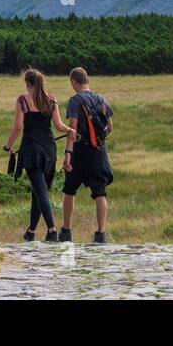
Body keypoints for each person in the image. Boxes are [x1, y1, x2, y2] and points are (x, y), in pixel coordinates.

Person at [3, 68, 75, 242]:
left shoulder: (22, 100)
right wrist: (70, 130)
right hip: (49, 150)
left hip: (31, 150)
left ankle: (52, 231)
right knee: (39, 191)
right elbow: (58, 125)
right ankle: (31, 231)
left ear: (28, 84)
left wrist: (8, 146)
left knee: (41, 192)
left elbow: (18, 126)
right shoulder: (51, 100)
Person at [59, 66, 114, 243]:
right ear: (87, 80)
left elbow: (72, 130)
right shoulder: (101, 98)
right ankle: (101, 234)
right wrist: (98, 141)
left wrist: (68, 153)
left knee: (69, 189)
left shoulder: (75, 100)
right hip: (99, 151)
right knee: (99, 192)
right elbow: (110, 127)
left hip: (80, 150)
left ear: (74, 83)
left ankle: (66, 231)